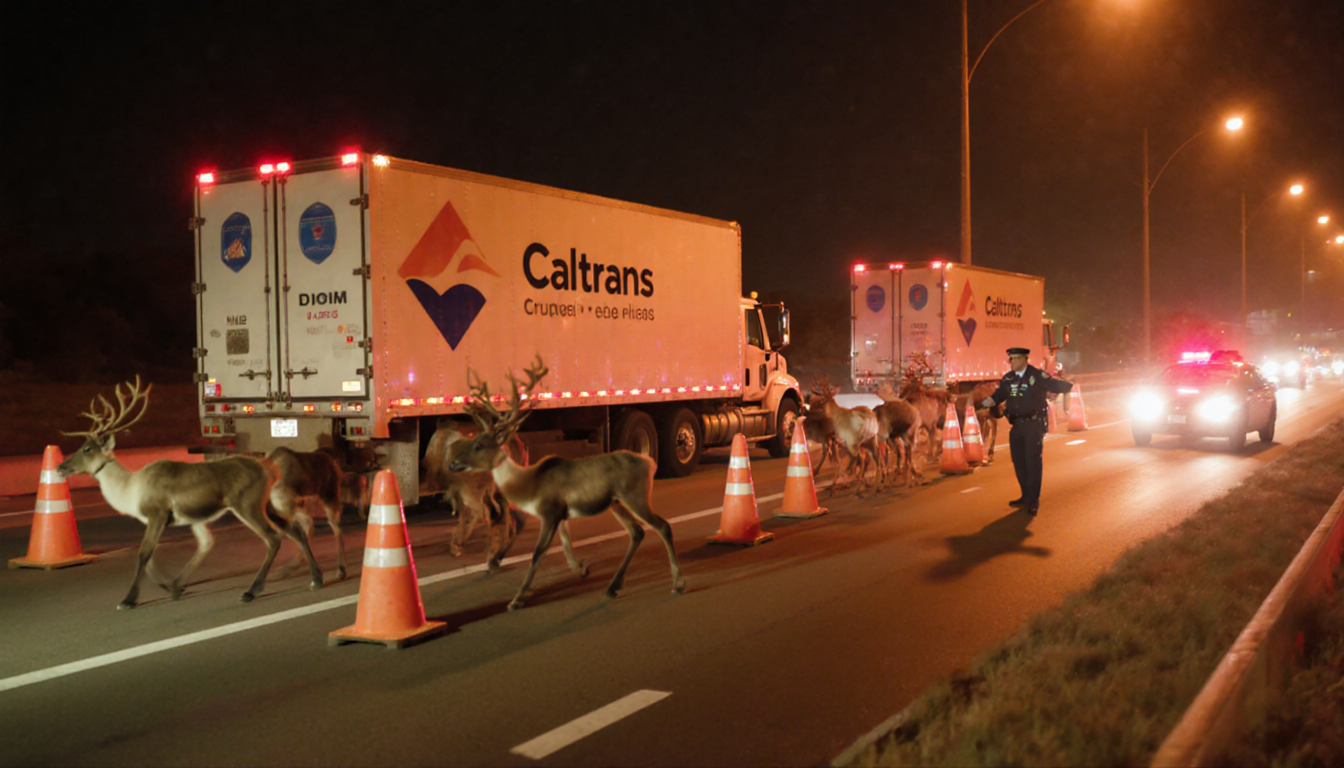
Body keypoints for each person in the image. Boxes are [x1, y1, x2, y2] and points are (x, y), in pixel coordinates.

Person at [981, 347, 1072, 517]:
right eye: (1010, 359)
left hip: (1033, 425)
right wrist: (988, 401)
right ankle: (1025, 495)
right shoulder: (1009, 378)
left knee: (1033, 463)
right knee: (1019, 462)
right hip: (1017, 425)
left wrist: (1067, 387)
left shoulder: (1036, 376)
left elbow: (1054, 385)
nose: (1011, 362)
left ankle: (1033, 501)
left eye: (1014, 359)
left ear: (1024, 359)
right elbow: (1000, 394)